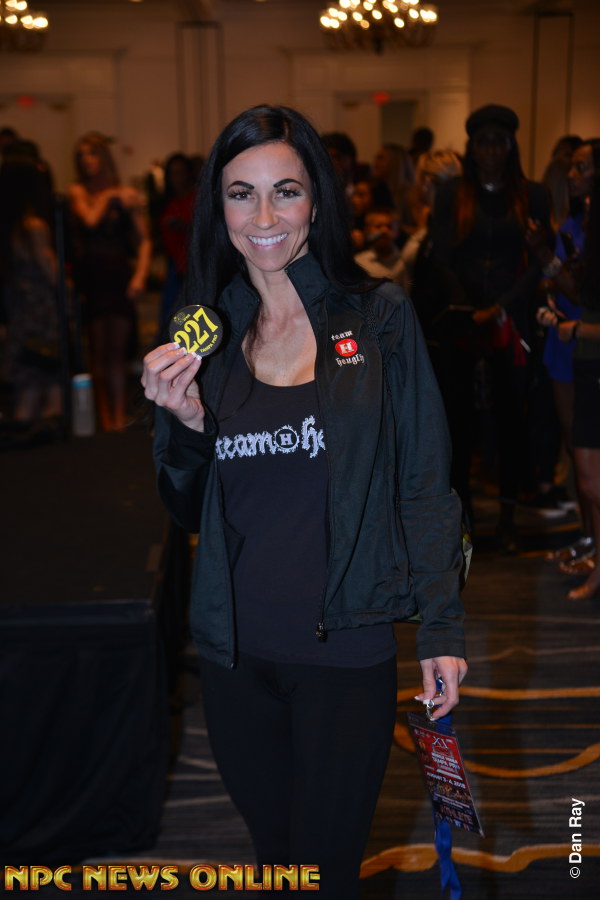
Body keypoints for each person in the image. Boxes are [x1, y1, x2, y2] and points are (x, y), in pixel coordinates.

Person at [142, 105, 467, 899]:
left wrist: (441, 625)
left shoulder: (378, 316)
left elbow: (425, 482)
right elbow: (186, 507)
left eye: (285, 191)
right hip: (235, 658)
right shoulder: (205, 334)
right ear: (218, 209)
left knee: (324, 876)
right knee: (278, 864)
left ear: (317, 202)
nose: (264, 217)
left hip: (345, 655)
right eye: (241, 194)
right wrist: (184, 427)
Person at [430, 104, 551, 546]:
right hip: (462, 319)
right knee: (458, 419)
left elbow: (537, 263)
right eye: (483, 143)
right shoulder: (452, 193)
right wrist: (470, 309)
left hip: (510, 319)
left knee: (511, 418)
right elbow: (441, 257)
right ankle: (463, 515)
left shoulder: (533, 195)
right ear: (472, 148)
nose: (491, 151)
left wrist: (500, 307)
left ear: (511, 146)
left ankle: (508, 515)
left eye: (499, 142)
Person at [536, 139, 600, 599]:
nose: (575, 176)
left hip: (586, 349)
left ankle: (594, 553)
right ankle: (592, 549)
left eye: (582, 168)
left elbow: (579, 292)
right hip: (580, 355)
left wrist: (577, 328)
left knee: (590, 473)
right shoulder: (581, 224)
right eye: (571, 170)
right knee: (585, 470)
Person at [68, 132, 151, 431]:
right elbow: (90, 219)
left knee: (118, 350)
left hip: (118, 276)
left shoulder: (125, 195)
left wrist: (140, 276)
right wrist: (110, 196)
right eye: (81, 155)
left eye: (92, 153)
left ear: (104, 157)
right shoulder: (78, 191)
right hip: (91, 278)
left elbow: (144, 240)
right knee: (97, 351)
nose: (86, 160)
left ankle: (117, 417)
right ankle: (102, 417)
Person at [0, 154, 61, 424]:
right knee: (47, 375)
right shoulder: (33, 226)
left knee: (29, 382)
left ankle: (25, 434)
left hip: (20, 308)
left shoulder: (9, 226)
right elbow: (52, 273)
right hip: (41, 309)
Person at [354, 206, 407, 288]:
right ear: (367, 231)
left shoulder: (405, 262)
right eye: (378, 226)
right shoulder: (359, 262)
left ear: (398, 231)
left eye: (389, 226)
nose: (384, 231)